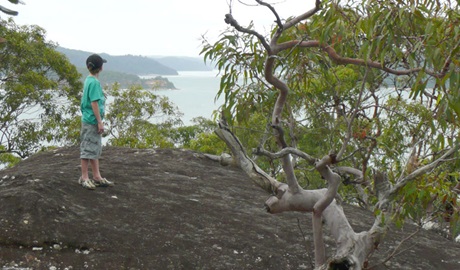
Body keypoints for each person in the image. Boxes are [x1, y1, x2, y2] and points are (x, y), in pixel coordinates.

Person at [78, 54, 114, 189]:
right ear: (101, 68)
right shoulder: (94, 83)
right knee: (87, 149)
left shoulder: (88, 80)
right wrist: (99, 121)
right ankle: (85, 177)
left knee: (94, 148)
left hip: (89, 119)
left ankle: (97, 176)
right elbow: (94, 103)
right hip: (91, 120)